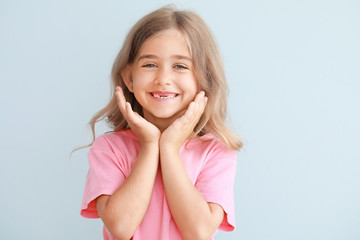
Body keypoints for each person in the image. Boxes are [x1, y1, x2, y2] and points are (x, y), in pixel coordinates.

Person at [80, 6, 243, 240]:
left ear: (203, 78)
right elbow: (121, 227)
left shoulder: (216, 153)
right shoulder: (109, 148)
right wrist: (149, 145)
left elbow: (198, 232)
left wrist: (168, 148)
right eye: (149, 64)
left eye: (180, 66)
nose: (163, 79)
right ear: (129, 78)